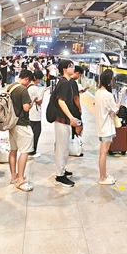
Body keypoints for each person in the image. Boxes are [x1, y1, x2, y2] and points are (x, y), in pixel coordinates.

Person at [94, 70, 124, 185]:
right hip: (106, 127)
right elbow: (116, 110)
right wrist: (121, 97)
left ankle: (104, 175)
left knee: (103, 152)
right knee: (103, 153)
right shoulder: (108, 95)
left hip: (101, 126)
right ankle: (102, 178)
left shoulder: (98, 92)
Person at [52, 59, 80, 187]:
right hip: (62, 119)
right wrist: (71, 117)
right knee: (62, 148)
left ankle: (62, 170)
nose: (73, 68)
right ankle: (59, 176)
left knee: (63, 146)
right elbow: (61, 101)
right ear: (64, 69)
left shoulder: (66, 82)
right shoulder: (64, 83)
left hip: (64, 120)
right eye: (71, 66)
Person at [8, 70, 34, 191]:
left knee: (13, 150)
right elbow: (26, 108)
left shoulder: (10, 87)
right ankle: (21, 180)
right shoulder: (23, 90)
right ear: (27, 79)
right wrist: (32, 102)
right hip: (22, 124)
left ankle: (14, 175)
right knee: (25, 151)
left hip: (11, 123)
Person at [27, 70, 45, 159]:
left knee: (32, 131)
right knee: (36, 132)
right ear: (37, 79)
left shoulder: (29, 85)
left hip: (30, 113)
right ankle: (32, 151)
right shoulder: (34, 88)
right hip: (34, 113)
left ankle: (30, 149)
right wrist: (43, 92)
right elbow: (39, 102)